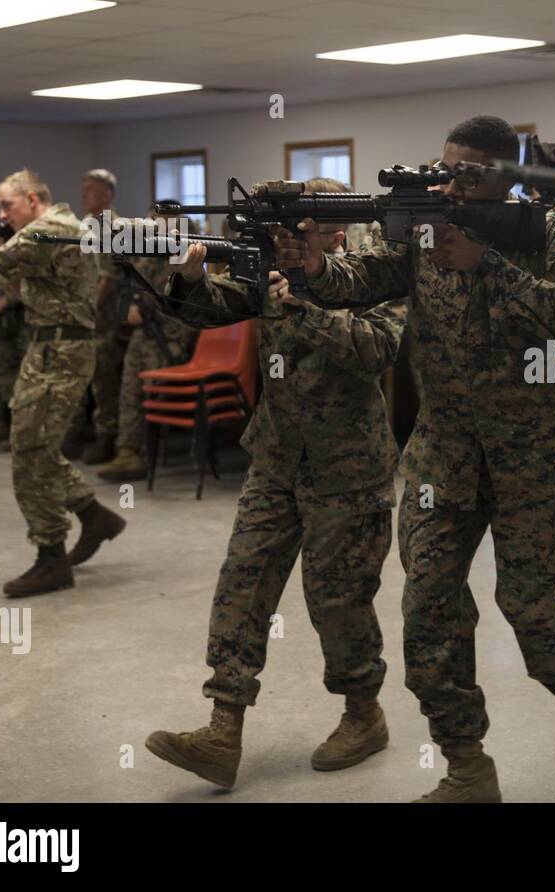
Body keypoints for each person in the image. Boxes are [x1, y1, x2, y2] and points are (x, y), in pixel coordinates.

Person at [275, 116, 555, 803]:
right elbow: (363, 279)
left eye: (468, 173)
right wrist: (313, 266)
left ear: (509, 176)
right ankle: (467, 767)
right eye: (444, 169)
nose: (448, 183)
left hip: (534, 458)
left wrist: (487, 265)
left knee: (531, 611)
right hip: (442, 458)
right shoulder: (421, 230)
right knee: (428, 608)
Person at [146, 188, 406, 788]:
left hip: (348, 466)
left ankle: (363, 713)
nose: (290, 238)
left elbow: (376, 349)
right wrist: (186, 278)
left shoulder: (379, 275)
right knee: (243, 580)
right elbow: (209, 308)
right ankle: (223, 727)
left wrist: (302, 308)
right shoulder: (270, 270)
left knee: (338, 600)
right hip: (276, 457)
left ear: (337, 233)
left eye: (304, 229)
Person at [0, 169, 127, 596]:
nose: (3, 215)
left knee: (28, 454)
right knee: (34, 447)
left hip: (60, 352)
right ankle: (93, 515)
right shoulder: (56, 229)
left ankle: (51, 557)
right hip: (52, 348)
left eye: (8, 206)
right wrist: (3, 252)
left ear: (33, 200)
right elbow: (37, 293)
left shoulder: (43, 232)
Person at [97, 204, 198, 482]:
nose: (153, 226)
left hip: (169, 335)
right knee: (129, 386)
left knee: (143, 387)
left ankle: (137, 450)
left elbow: (173, 294)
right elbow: (130, 285)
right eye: (151, 221)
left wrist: (143, 308)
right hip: (146, 333)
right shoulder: (149, 254)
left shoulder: (181, 253)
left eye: (159, 222)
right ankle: (128, 451)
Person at [64, 168, 126, 464]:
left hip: (105, 316)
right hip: (85, 311)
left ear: (108, 195)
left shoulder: (111, 227)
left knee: (103, 377)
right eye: (83, 188)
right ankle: (79, 431)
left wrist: (88, 309)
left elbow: (109, 278)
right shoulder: (87, 225)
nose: (83, 194)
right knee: (81, 373)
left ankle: (107, 436)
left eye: (91, 190)